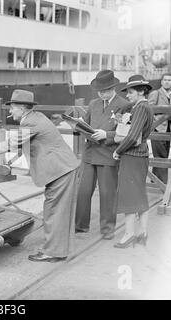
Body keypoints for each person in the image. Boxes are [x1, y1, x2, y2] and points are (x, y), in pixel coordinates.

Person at [0, 89, 80, 262]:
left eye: (12, 108)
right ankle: (56, 249)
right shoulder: (35, 117)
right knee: (54, 210)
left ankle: (53, 252)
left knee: (54, 211)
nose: (9, 111)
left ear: (22, 108)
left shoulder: (30, 123)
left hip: (60, 170)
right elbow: (25, 146)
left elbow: (11, 143)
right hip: (62, 168)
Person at [75, 70, 131, 240]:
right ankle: (80, 226)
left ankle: (107, 229)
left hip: (108, 154)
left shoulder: (124, 105)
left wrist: (107, 135)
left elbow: (127, 133)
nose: (103, 93)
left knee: (108, 194)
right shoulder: (93, 104)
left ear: (113, 87)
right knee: (83, 191)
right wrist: (78, 125)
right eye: (100, 90)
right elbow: (85, 123)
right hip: (90, 154)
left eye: (106, 90)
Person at [112, 75, 154, 248]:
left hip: (132, 155)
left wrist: (118, 150)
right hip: (141, 155)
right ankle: (142, 233)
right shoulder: (144, 107)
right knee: (139, 194)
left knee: (129, 196)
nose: (128, 96)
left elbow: (132, 136)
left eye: (130, 92)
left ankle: (129, 234)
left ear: (141, 91)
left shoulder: (140, 109)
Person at [148, 73, 171, 184]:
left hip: (168, 130)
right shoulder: (156, 93)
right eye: (165, 80)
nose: (167, 82)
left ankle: (156, 183)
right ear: (161, 82)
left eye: (169, 80)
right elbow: (150, 109)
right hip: (158, 128)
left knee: (163, 157)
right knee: (161, 157)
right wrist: (155, 125)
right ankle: (163, 185)